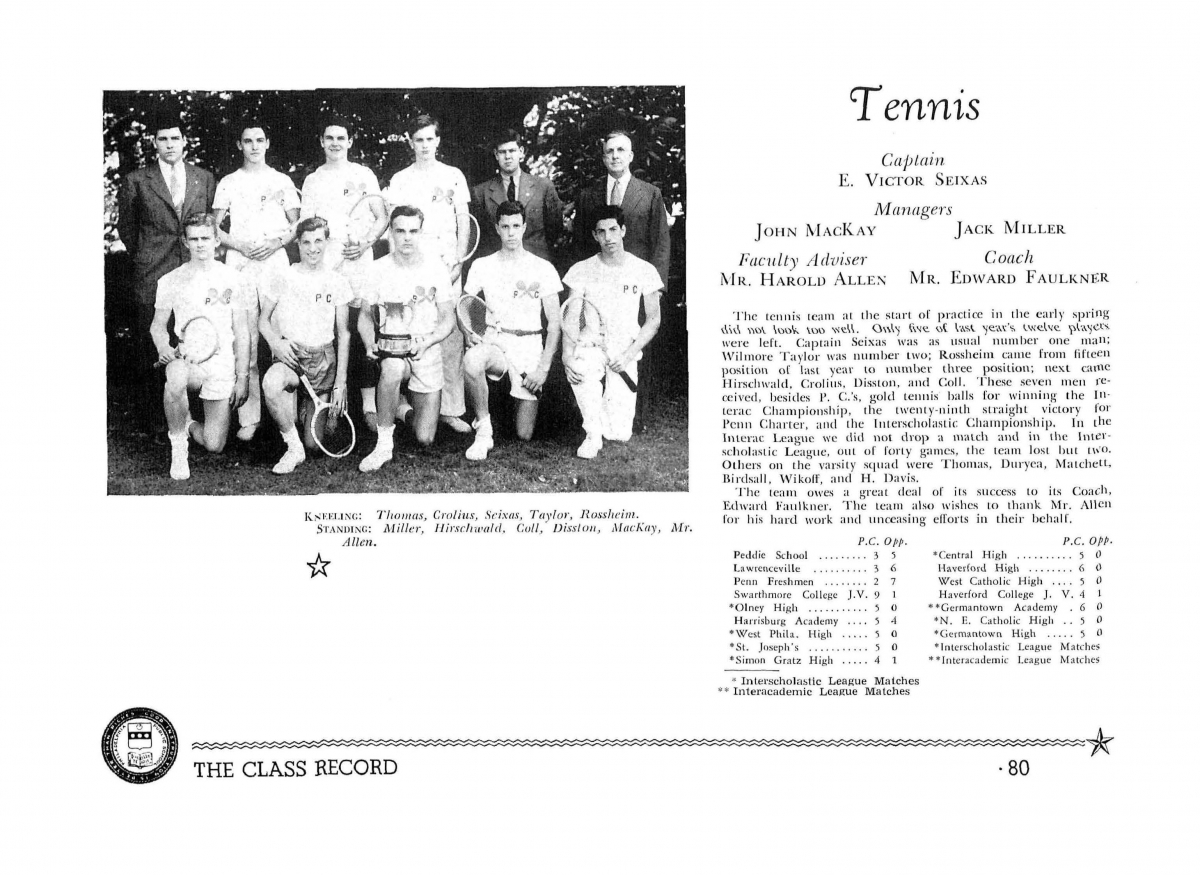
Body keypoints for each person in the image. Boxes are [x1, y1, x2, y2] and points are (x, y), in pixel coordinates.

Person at [117, 112, 216, 433]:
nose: (169, 144)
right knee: (153, 345)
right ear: (154, 143)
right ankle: (156, 424)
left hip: (194, 274)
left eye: (175, 138)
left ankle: (196, 418)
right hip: (152, 273)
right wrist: (148, 256)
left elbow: (210, 225)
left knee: (195, 340)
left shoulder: (204, 177)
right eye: (163, 139)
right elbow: (128, 231)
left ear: (184, 142)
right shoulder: (136, 180)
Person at [573, 129, 671, 432]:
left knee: (632, 351)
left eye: (620, 150)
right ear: (603, 157)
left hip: (636, 286)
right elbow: (579, 244)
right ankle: (591, 418)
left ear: (630, 156)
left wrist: (656, 289)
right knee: (594, 350)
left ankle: (633, 416)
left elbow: (661, 244)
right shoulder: (588, 194)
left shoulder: (650, 193)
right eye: (609, 151)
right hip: (598, 285)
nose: (615, 156)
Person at [383, 115, 473, 434]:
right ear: (411, 142)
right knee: (408, 328)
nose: (424, 145)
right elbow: (395, 225)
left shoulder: (453, 175)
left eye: (429, 139)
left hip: (447, 264)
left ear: (438, 141)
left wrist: (459, 260)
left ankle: (451, 409)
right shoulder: (401, 179)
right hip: (410, 265)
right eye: (418, 140)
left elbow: (463, 221)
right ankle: (407, 404)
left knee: (449, 336)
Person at [212, 122, 300, 442]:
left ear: (267, 143)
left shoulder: (282, 180)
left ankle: (285, 415)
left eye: (259, 140)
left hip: (274, 261)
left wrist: (276, 244)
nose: (254, 146)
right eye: (247, 140)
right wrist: (238, 245)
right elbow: (214, 227)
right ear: (239, 144)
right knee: (245, 337)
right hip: (240, 262)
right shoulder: (228, 183)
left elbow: (296, 224)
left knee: (281, 334)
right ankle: (249, 416)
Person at [300, 118, 388, 430]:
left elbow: (382, 216)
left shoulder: (364, 174)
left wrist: (366, 243)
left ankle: (368, 404)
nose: (336, 142)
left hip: (361, 259)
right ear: (321, 142)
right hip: (329, 260)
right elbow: (308, 227)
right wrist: (327, 254)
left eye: (341, 137)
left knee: (362, 324)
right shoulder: (313, 180)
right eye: (330, 137)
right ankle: (330, 405)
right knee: (333, 330)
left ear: (350, 141)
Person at [149, 213, 252, 480]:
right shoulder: (170, 280)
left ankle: (187, 422)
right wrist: (163, 347)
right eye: (193, 239)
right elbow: (157, 326)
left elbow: (242, 331)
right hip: (189, 363)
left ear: (217, 240)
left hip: (222, 364)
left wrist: (243, 377)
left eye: (205, 238)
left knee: (213, 444)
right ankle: (178, 447)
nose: (200, 244)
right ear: (184, 242)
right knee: (176, 375)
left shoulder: (234, 278)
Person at [356, 206, 457, 472]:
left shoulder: (436, 269)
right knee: (391, 368)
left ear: (421, 233)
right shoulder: (377, 269)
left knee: (425, 438)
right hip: (393, 352)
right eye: (400, 230)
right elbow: (365, 317)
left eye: (413, 231)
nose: (407, 237)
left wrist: (428, 341)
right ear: (390, 232)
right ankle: (383, 445)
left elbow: (449, 319)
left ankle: (401, 408)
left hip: (426, 352)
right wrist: (369, 343)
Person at [461, 201, 563, 461]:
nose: (510, 232)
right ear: (496, 228)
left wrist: (542, 370)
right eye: (505, 226)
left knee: (524, 434)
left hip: (530, 346)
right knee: (472, 360)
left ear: (524, 227)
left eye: (516, 226)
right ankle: (484, 430)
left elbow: (554, 323)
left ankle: (507, 406)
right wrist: (471, 332)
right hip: (496, 342)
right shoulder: (482, 265)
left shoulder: (543, 267)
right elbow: (467, 305)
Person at [562, 206, 662, 459]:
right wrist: (566, 355)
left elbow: (653, 320)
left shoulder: (644, 269)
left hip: (624, 351)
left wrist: (628, 355)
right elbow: (572, 315)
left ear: (623, 231)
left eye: (613, 230)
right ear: (595, 236)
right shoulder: (581, 269)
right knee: (581, 369)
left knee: (619, 433)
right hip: (590, 345)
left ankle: (604, 413)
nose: (608, 238)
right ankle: (592, 433)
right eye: (602, 232)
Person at [258, 218, 353, 475]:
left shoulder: (337, 281)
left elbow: (343, 334)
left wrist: (340, 383)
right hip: (291, 357)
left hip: (324, 360)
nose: (313, 248)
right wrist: (275, 343)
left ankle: (309, 412)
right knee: (271, 383)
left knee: (316, 444)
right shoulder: (284, 276)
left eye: (318, 241)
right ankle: (292, 447)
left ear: (327, 242)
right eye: (307, 242)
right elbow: (262, 321)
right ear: (298, 244)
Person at [471, 129, 563, 263]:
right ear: (496, 155)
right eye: (502, 152)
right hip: (498, 266)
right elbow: (480, 237)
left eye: (512, 151)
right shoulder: (481, 193)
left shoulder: (543, 187)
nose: (507, 156)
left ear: (521, 152)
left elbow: (555, 229)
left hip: (535, 262)